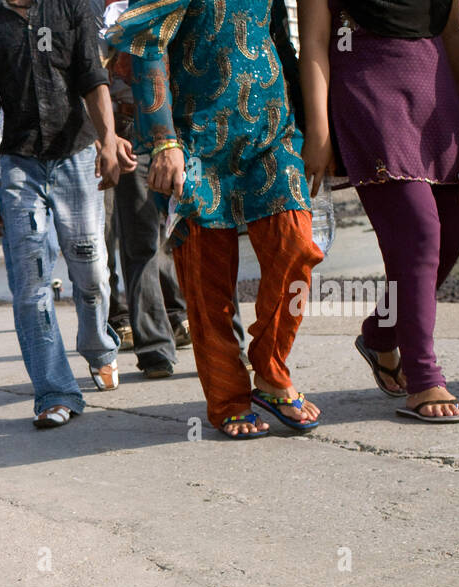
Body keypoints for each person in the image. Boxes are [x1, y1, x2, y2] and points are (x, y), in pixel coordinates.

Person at [109, 0, 324, 438]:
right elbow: (148, 46)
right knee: (208, 285)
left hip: (271, 130)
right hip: (196, 139)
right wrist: (165, 141)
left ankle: (270, 369)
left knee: (300, 247)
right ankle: (228, 397)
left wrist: (319, 128)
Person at [301, 0, 459, 423]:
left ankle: (381, 335)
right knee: (418, 233)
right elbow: (316, 42)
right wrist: (319, 129)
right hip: (369, 94)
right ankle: (424, 379)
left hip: (437, 97)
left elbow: (454, 32)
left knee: (451, 235)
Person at [0, 0, 138, 429]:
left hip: (76, 155)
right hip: (19, 165)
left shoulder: (72, 7)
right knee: (30, 286)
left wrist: (110, 140)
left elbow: (92, 78)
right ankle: (54, 391)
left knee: (92, 271)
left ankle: (98, 346)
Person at [101, 0, 189, 379]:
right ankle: (154, 348)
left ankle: (217, 337)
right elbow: (91, 75)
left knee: (198, 234)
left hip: (184, 130)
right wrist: (106, 138)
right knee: (140, 244)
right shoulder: (90, 13)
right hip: (127, 136)